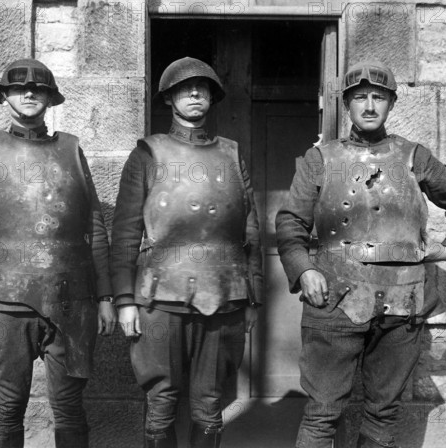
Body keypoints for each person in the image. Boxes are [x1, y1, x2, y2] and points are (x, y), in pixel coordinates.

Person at [275, 60, 446, 448]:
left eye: (378, 97)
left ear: (391, 104)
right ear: (347, 105)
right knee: (322, 412)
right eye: (360, 98)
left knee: (383, 412)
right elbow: (290, 224)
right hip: (333, 302)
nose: (369, 106)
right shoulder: (320, 159)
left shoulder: (414, 157)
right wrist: (305, 271)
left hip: (402, 304)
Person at [0, 58, 117, 448]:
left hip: (73, 300)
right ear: (4, 96)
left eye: (38, 89)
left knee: (71, 406)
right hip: (7, 304)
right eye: (19, 88)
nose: (29, 94)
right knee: (9, 405)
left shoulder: (73, 150)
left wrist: (106, 296)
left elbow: (95, 229)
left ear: (49, 98)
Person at [111, 57, 263, 448]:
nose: (195, 93)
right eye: (185, 88)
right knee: (160, 400)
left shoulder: (231, 154)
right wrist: (125, 300)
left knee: (210, 403)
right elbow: (126, 233)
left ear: (212, 97)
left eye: (203, 88)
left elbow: (251, 230)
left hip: (224, 298)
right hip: (160, 299)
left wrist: (252, 298)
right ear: (170, 98)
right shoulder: (148, 154)